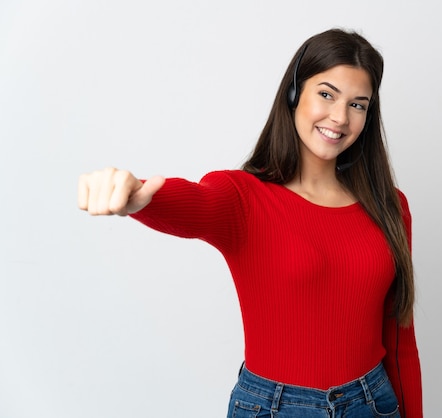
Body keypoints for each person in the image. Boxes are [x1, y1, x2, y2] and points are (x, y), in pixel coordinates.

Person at [78, 28, 422, 418]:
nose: (340, 117)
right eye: (326, 94)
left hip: (371, 403)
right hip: (274, 408)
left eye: (358, 105)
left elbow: (399, 339)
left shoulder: (390, 205)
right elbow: (195, 202)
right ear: (294, 95)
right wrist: (138, 197)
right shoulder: (244, 197)